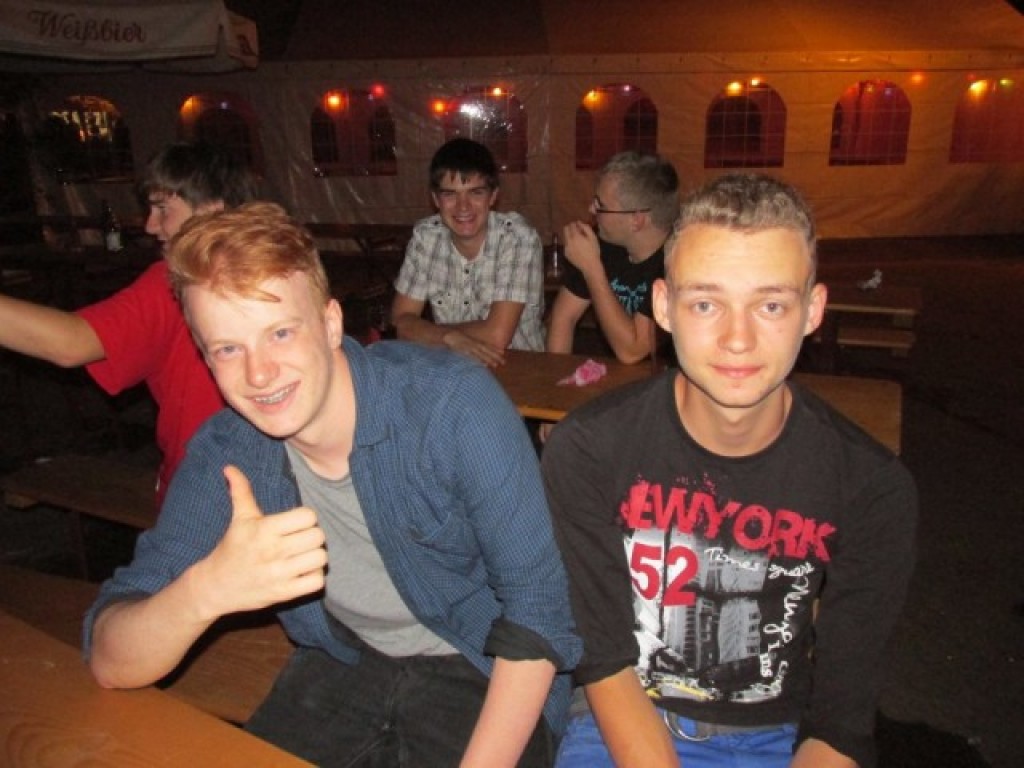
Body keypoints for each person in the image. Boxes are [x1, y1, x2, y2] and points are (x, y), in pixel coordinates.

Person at [84, 202, 581, 768]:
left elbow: (539, 610)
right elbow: (110, 656)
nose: (259, 374)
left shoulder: (451, 404)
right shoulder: (228, 452)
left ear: (330, 324)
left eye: (280, 333)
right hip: (342, 657)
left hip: (484, 666)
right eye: (228, 348)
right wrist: (206, 591)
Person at [542, 174, 917, 768]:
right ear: (663, 306)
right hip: (623, 717)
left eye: (770, 305)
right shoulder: (589, 451)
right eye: (705, 304)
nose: (737, 339)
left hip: (777, 733)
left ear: (813, 311)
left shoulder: (871, 486)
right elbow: (606, 660)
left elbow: (841, 721)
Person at [0, 141, 256, 504]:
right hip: (276, 483)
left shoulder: (178, 279)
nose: (150, 225)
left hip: (204, 493)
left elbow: (70, 344)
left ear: (212, 212)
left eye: (163, 209)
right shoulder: (277, 265)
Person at [391, 137, 545, 367]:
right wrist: (449, 338)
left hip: (518, 369)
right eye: (450, 194)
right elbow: (400, 322)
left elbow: (497, 336)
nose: (463, 206)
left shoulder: (517, 238)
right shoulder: (426, 237)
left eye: (475, 193)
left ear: (493, 196)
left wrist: (430, 334)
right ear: (435, 199)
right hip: (451, 368)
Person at [545, 151, 679, 366]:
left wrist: (592, 268)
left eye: (601, 205)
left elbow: (632, 351)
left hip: (669, 380)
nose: (591, 209)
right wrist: (557, 378)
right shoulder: (604, 244)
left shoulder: (678, 261)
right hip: (616, 377)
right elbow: (563, 318)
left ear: (636, 220)